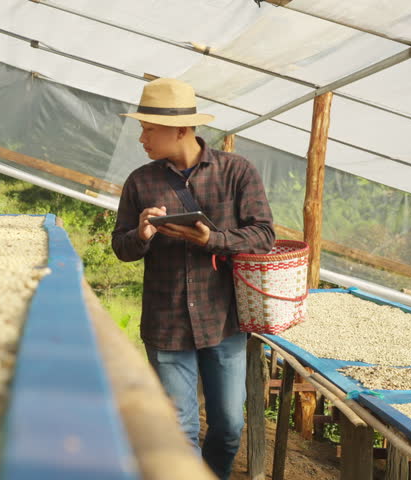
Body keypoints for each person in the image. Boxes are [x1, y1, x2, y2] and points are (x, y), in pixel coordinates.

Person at [111, 78, 275, 479]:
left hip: (224, 321)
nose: (142, 138)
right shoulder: (140, 182)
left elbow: (264, 236)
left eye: (149, 129)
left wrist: (212, 239)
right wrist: (142, 235)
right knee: (179, 430)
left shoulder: (237, 172)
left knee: (229, 427)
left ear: (181, 130)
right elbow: (121, 247)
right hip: (166, 322)